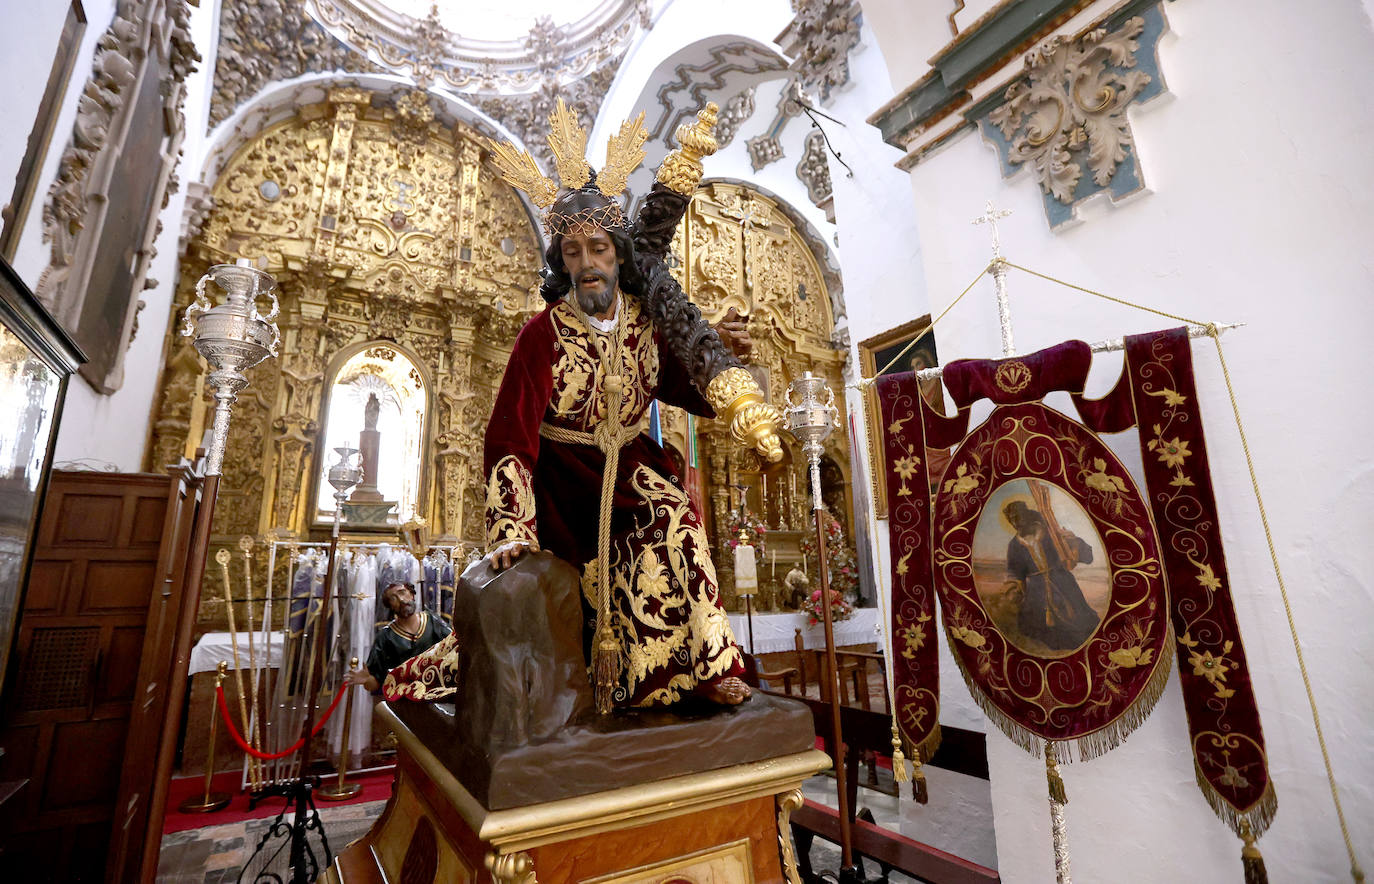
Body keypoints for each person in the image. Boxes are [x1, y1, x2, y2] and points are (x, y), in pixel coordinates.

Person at [480, 100, 783, 713]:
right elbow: (510, 434)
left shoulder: (645, 322)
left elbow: (683, 384)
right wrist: (513, 526)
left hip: (630, 463)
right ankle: (616, 678)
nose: (587, 265)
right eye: (572, 254)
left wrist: (724, 355)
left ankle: (705, 667)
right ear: (561, 264)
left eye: (598, 249)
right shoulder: (541, 335)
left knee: (676, 515)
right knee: (601, 561)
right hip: (564, 478)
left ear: (619, 254)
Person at [1002, 500, 1099, 651]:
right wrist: (1014, 587)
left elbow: (1086, 557)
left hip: (1063, 583)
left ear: (1026, 515)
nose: (1015, 523)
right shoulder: (1014, 545)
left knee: (1081, 624)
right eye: (1011, 519)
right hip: (1036, 591)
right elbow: (1014, 571)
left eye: (1018, 517)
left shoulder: (1050, 532)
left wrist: (1073, 542)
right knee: (1036, 628)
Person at [347, 582, 451, 692]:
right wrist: (367, 680)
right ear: (390, 606)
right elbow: (376, 683)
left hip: (435, 691)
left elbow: (453, 644)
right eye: (393, 598)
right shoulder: (385, 637)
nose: (401, 599)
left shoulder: (432, 621)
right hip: (403, 696)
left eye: (402, 592)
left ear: (412, 595)